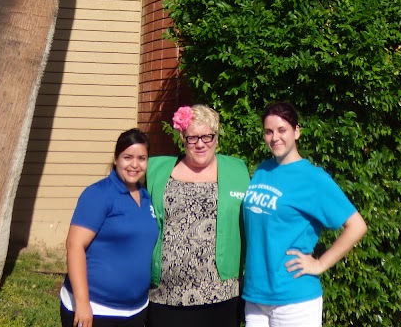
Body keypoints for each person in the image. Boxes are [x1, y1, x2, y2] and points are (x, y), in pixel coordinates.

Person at [242, 101, 368, 327]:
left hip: (294, 298)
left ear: (296, 131)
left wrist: (319, 264)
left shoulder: (313, 178)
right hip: (256, 296)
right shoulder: (262, 170)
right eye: (269, 132)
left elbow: (357, 225)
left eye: (282, 130)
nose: (275, 138)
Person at [145, 103, 251, 327]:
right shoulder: (156, 169)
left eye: (207, 137)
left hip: (220, 294)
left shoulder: (238, 171)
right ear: (183, 138)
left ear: (216, 138)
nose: (200, 144)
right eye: (193, 138)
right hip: (166, 293)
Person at [60, 128, 159, 327]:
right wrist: (82, 303)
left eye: (141, 158)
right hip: (96, 309)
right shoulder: (98, 194)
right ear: (116, 159)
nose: (134, 164)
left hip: (136, 309)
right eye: (127, 157)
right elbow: (74, 246)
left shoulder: (147, 198)